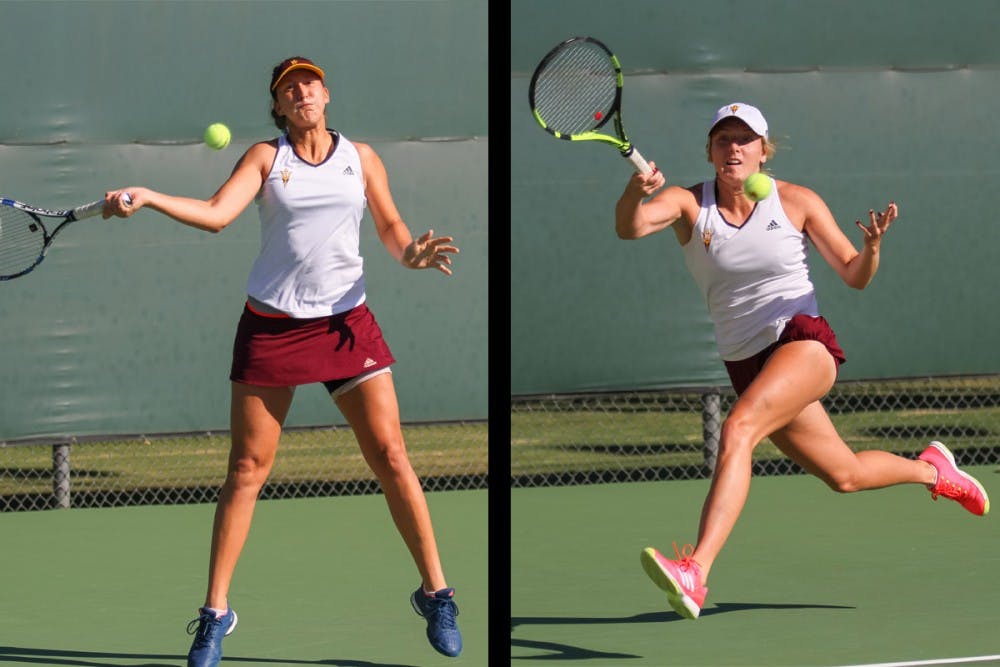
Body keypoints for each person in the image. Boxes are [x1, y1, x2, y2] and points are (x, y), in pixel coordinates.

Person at [105, 56, 463, 664]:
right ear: (278, 107)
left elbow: (392, 226)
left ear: (326, 94)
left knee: (392, 456)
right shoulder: (267, 159)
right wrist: (150, 195)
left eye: (309, 84)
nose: (301, 92)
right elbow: (218, 215)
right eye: (288, 89)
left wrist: (411, 254)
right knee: (246, 468)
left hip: (347, 323)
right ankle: (215, 614)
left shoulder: (363, 158)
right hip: (272, 328)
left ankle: (437, 594)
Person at [614, 102, 990, 621]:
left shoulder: (796, 202)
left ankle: (695, 571)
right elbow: (630, 228)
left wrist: (872, 248)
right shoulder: (686, 204)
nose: (734, 148)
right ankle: (934, 470)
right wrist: (637, 190)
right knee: (846, 475)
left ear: (763, 151)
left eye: (746, 140)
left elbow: (855, 274)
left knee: (739, 428)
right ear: (710, 151)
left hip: (804, 344)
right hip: (747, 363)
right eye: (723, 139)